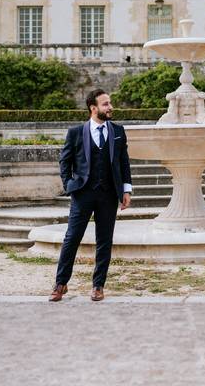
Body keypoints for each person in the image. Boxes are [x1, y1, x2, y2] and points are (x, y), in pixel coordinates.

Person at [50, 89, 132, 302]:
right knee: (71, 238)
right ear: (93, 108)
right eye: (105, 104)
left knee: (104, 240)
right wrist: (69, 185)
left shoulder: (118, 131)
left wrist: (126, 190)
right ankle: (60, 284)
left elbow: (124, 162)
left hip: (108, 194)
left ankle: (98, 286)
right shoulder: (76, 132)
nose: (110, 107)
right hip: (82, 194)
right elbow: (64, 162)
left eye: (110, 103)